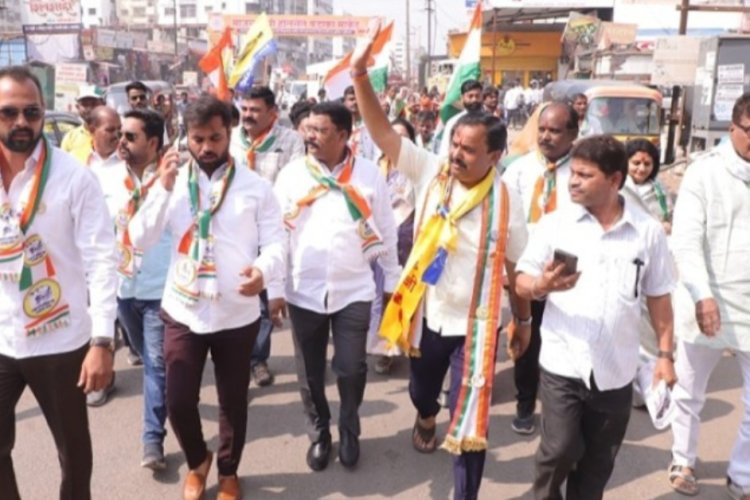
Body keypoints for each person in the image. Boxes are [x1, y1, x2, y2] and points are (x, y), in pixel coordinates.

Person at [351, 24, 531, 500]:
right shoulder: (430, 172)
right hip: (426, 316)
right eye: (455, 145)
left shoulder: (507, 203)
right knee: (421, 392)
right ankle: (425, 414)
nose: (456, 155)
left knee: (470, 419)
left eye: (468, 150)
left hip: (476, 326)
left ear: (495, 155)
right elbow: (382, 134)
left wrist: (523, 320)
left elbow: (516, 267)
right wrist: (359, 75)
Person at [128, 95, 286, 500]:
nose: (206, 147)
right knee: (179, 400)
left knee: (233, 402)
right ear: (187, 136)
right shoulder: (170, 181)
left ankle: (229, 471)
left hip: (236, 312)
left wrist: (263, 270)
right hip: (183, 310)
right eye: (198, 139)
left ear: (229, 133)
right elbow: (139, 238)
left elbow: (276, 241)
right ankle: (198, 460)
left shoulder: (255, 188)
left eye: (215, 137)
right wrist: (162, 190)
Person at [515, 134, 677, 500]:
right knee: (558, 450)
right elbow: (521, 280)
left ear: (615, 180)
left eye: (585, 175)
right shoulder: (555, 224)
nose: (573, 181)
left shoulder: (647, 232)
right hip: (563, 363)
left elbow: (659, 298)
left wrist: (665, 356)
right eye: (573, 173)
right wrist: (541, 285)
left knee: (598, 464)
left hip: (616, 369)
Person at [0, 65, 117, 500]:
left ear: (43, 113)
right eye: (8, 112)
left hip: (60, 340)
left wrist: (102, 341)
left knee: (73, 454)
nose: (21, 122)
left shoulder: (73, 177)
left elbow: (102, 260)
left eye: (31, 112)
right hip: (3, 339)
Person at [273, 101, 400, 472]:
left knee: (351, 368)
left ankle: (349, 427)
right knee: (310, 372)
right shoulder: (292, 175)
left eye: (320, 130)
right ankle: (319, 433)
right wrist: (275, 288)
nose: (310, 136)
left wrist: (392, 279)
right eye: (308, 129)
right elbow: (276, 235)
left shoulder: (368, 175)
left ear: (344, 135)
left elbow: (386, 229)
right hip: (304, 291)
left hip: (354, 289)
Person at [667, 93, 750, 499]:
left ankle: (742, 474)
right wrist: (702, 295)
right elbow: (685, 241)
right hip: (707, 302)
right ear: (733, 127)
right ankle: (683, 459)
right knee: (689, 391)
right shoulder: (704, 172)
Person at [93, 108, 172, 467]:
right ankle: (173, 392)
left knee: (155, 363)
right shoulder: (104, 180)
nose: (120, 141)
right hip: (122, 289)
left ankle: (152, 439)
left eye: (130, 136)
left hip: (160, 289)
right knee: (144, 353)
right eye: (119, 135)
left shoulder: (174, 181)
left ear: (153, 143)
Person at [501, 101, 579, 435]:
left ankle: (561, 410)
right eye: (542, 129)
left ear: (573, 134)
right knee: (527, 337)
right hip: (527, 272)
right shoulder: (517, 171)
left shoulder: (583, 172)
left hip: (568, 272)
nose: (545, 136)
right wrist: (508, 273)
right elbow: (504, 222)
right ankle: (524, 403)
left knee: (563, 341)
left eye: (555, 131)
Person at [230, 86, 304, 388]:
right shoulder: (230, 139)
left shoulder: (291, 141)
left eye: (255, 110)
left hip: (273, 229)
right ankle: (237, 357)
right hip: (236, 229)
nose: (248, 115)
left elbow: (295, 185)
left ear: (272, 113)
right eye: (245, 109)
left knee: (264, 297)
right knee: (238, 291)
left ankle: (257, 359)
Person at [368, 118, 417, 375]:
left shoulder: (418, 170)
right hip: (379, 244)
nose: (396, 140)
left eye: (403, 136)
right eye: (392, 134)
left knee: (403, 294)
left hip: (409, 241)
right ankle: (385, 349)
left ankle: (404, 341)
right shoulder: (375, 169)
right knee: (380, 295)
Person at [623, 139, 671, 234]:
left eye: (647, 164)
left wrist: (666, 224)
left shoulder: (659, 188)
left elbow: (669, 216)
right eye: (636, 163)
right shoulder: (617, 188)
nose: (642, 169)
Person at [437, 79, 483, 158]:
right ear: (462, 98)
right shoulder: (453, 122)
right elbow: (445, 152)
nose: (474, 100)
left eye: (477, 96)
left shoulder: (490, 121)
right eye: (470, 96)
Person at [61, 85, 105, 159]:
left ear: (103, 105)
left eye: (94, 103)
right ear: (77, 107)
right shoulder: (70, 137)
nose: (89, 108)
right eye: (85, 104)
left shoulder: (113, 135)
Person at [343, 85, 378, 160]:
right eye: (351, 99)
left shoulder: (372, 125)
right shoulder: (339, 126)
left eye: (358, 99)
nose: (355, 102)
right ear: (345, 103)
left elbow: (377, 153)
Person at [84, 106, 121, 172]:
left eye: (119, 129)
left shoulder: (131, 160)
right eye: (110, 130)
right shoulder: (80, 159)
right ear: (92, 130)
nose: (116, 135)